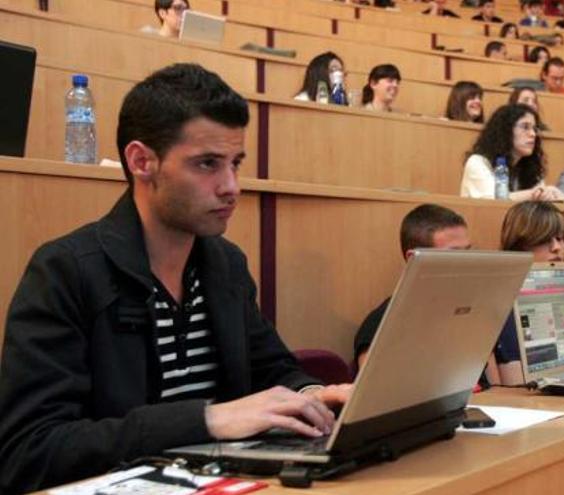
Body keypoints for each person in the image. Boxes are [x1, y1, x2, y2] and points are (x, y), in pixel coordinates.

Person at [0, 64, 352, 493]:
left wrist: (314, 393)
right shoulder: (66, 270)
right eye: (207, 164)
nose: (231, 187)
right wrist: (206, 418)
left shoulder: (225, 265)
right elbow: (29, 451)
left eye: (235, 164)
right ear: (141, 161)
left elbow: (271, 369)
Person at [353, 204, 472, 369]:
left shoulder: (468, 313)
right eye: (454, 254)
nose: (469, 264)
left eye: (469, 252)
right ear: (414, 260)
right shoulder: (382, 327)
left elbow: (494, 386)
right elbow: (380, 394)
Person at [488, 201, 564, 385]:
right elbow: (515, 386)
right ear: (519, 245)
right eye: (545, 239)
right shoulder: (506, 303)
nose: (557, 247)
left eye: (560, 238)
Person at [460, 104, 564, 201]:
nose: (533, 134)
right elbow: (494, 201)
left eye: (534, 129)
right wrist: (534, 194)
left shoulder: (530, 169)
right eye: (525, 127)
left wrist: (555, 195)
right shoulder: (477, 162)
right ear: (506, 130)